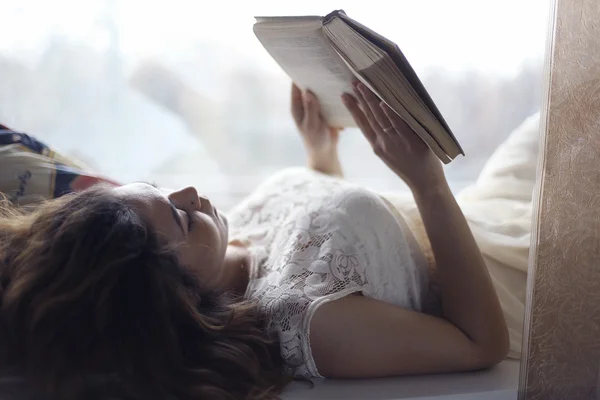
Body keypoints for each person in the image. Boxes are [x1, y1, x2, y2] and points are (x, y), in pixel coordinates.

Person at [0, 81, 509, 400]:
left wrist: (320, 159)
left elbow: (346, 257)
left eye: (159, 189)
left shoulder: (221, 245)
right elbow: (480, 343)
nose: (192, 192)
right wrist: (427, 182)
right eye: (180, 215)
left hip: (485, 217)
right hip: (505, 275)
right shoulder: (317, 323)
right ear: (178, 297)